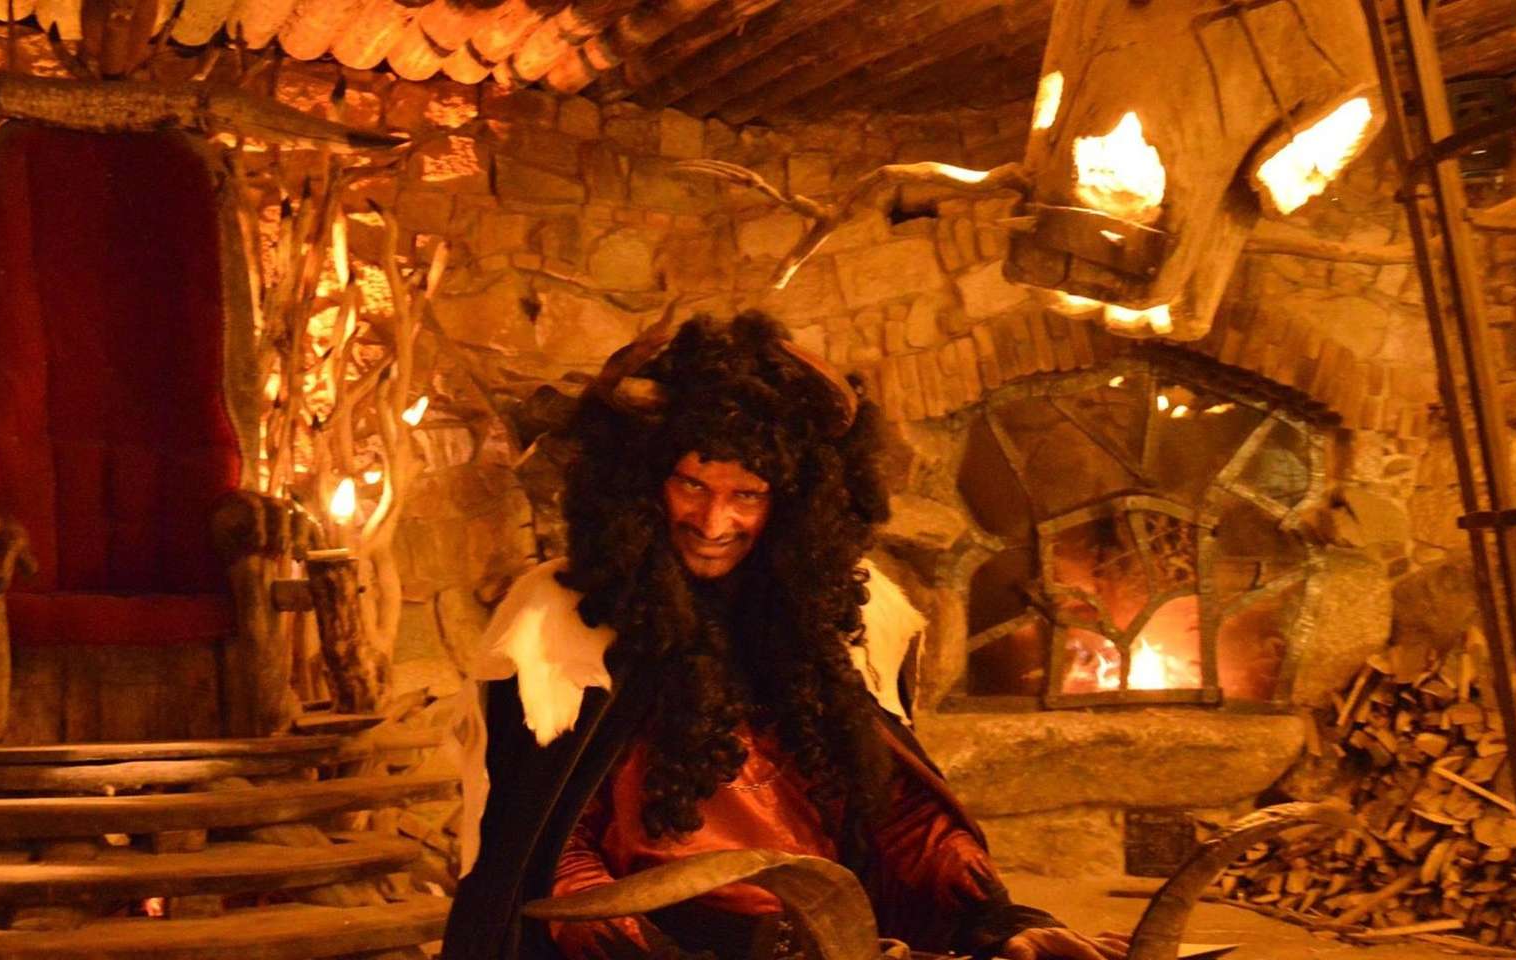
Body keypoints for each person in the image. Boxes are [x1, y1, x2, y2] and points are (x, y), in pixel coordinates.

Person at [442, 313, 1124, 960]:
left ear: (795, 501)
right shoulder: (558, 624)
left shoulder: (839, 610)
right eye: (691, 485)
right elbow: (551, 856)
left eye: (747, 495)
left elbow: (894, 816)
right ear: (640, 482)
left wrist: (998, 920)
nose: (713, 523)